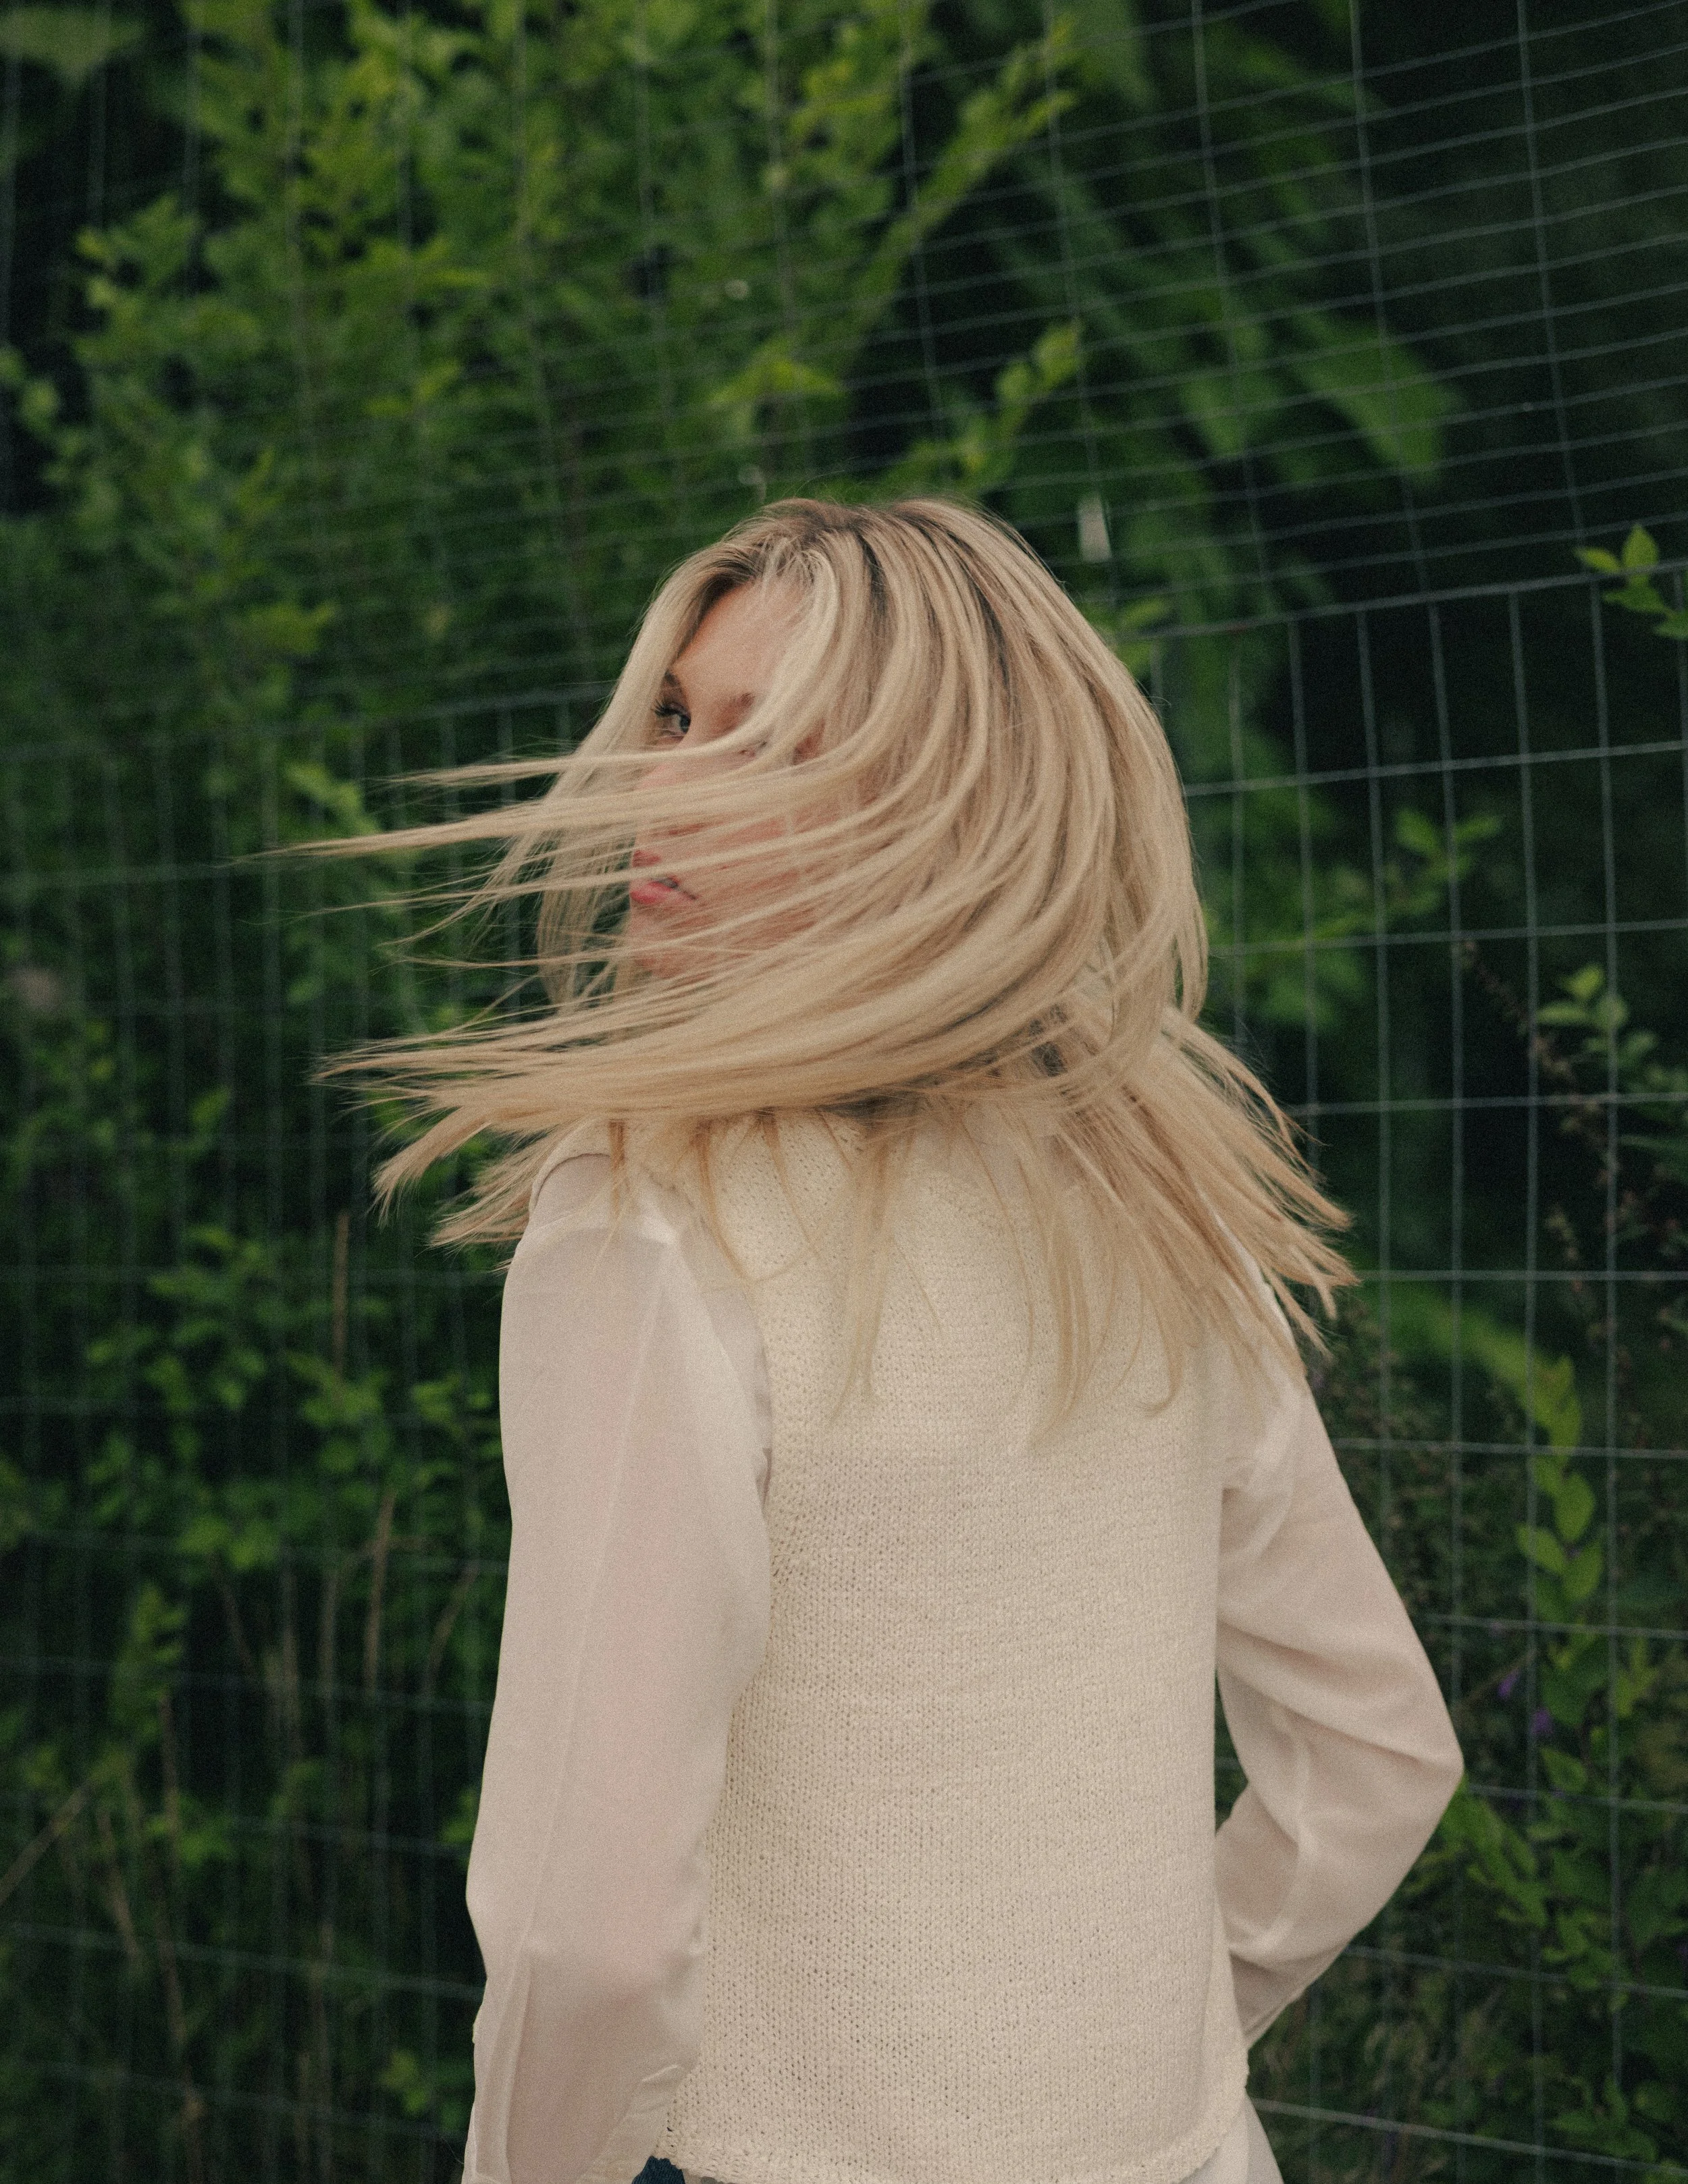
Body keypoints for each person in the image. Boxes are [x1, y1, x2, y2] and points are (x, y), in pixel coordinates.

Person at [327, 498, 1464, 2184]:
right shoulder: (1158, 1201)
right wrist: (1131, 2052)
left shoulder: (649, 1218)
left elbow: (592, 1940)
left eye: (771, 746)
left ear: (938, 815)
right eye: (673, 717)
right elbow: (1373, 1760)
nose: (659, 787)